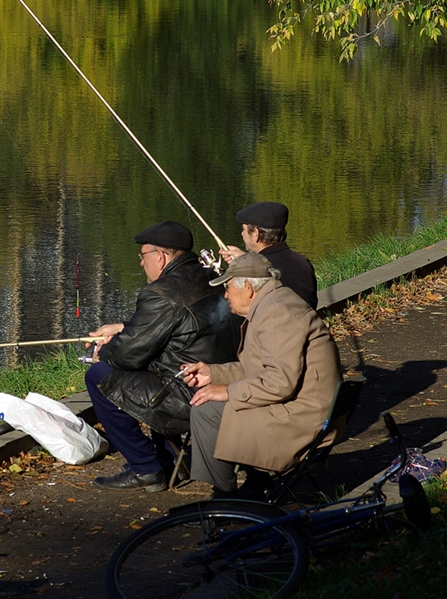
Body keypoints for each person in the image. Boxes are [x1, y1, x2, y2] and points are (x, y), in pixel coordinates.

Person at [85, 221, 240, 492]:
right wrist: (123, 329)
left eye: (143, 256)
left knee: (98, 375)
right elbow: (175, 328)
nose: (142, 264)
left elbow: (127, 354)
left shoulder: (161, 292)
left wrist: (104, 352)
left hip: (189, 388)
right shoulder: (210, 276)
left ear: (161, 256)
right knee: (140, 366)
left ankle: (146, 468)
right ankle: (166, 459)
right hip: (226, 375)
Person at [181, 251, 342, 498]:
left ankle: (224, 496)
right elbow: (260, 370)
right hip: (307, 406)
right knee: (214, 399)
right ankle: (256, 484)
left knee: (206, 410)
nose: (225, 295)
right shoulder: (275, 301)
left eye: (227, 287)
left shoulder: (276, 313)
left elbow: (279, 382)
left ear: (247, 286)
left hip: (303, 419)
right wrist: (214, 373)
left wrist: (227, 392)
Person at [219, 201, 318, 309]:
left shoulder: (259, 273)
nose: (242, 234)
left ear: (256, 234)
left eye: (244, 230)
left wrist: (247, 263)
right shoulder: (302, 262)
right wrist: (245, 260)